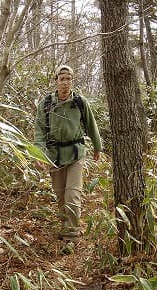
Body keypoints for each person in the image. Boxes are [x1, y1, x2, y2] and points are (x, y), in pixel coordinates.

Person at [34, 65, 102, 251]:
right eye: (62, 78)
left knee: (72, 194)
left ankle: (71, 236)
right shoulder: (46, 103)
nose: (65, 82)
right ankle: (66, 225)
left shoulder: (80, 102)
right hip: (53, 155)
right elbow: (39, 130)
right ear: (56, 80)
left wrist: (98, 147)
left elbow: (91, 124)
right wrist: (38, 153)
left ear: (73, 80)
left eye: (69, 78)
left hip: (75, 153)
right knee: (60, 194)